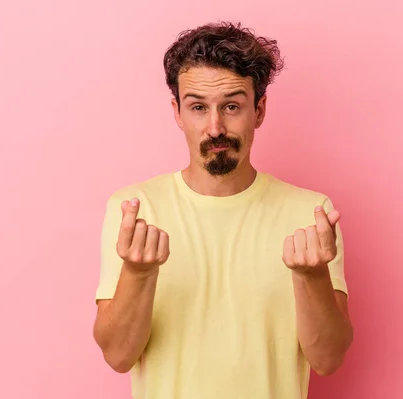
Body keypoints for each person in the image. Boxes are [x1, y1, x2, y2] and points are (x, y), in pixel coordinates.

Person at [92, 21, 353, 399]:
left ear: (259, 110)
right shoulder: (133, 211)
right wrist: (139, 272)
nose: (215, 128)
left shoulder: (311, 215)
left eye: (232, 106)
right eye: (198, 107)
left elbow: (328, 359)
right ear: (178, 112)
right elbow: (118, 356)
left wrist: (312, 278)